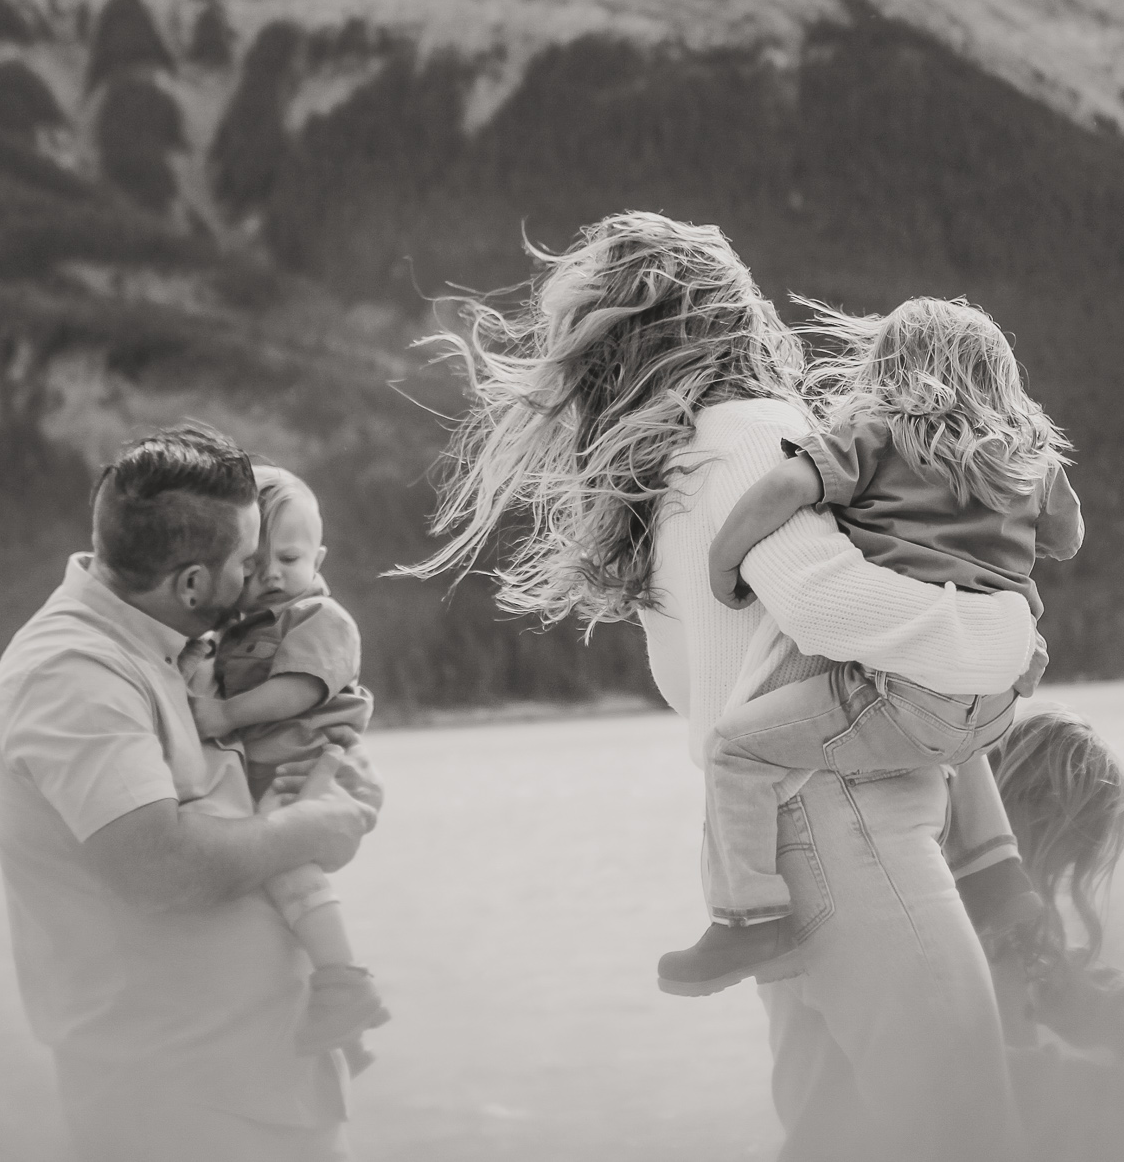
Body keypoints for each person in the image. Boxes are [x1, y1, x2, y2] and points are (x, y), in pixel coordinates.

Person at [405, 211, 1046, 1162]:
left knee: (834, 1140)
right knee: (964, 1131)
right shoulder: (760, 438)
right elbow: (827, 605)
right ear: (721, 317)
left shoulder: (673, 477)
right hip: (858, 832)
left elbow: (722, 673)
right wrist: (1002, 634)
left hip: (775, 861)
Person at [0, 422, 381, 1162]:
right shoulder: (73, 676)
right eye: (246, 561)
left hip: (256, 1086)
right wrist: (310, 832)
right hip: (175, 1106)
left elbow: (234, 819)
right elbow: (159, 865)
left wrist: (330, 792)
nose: (259, 580)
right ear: (192, 581)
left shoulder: (172, 640)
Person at [670, 295, 1083, 991]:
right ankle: (995, 876)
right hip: (998, 699)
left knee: (736, 750)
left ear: (889, 365)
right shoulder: (1030, 456)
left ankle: (749, 917)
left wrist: (724, 561)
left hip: (908, 702)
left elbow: (783, 487)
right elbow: (1068, 540)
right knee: (955, 713)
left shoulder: (877, 432)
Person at [185, 464, 389, 1070]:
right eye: (254, 564)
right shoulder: (239, 627)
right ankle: (347, 1036)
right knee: (279, 906)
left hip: (307, 765)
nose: (272, 574)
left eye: (291, 559)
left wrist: (224, 715)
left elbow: (299, 689)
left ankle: (345, 982)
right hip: (274, 772)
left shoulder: (320, 620)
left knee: (292, 877)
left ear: (319, 557)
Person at [986, 708, 1124, 1063]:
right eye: (1069, 851)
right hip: (974, 1101)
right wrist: (1058, 1077)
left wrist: (1118, 1000)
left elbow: (1053, 970)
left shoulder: (1019, 917)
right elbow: (955, 1051)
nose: (1061, 873)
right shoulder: (956, 907)